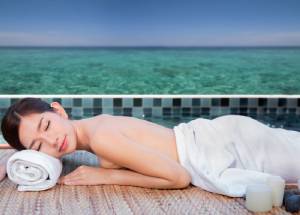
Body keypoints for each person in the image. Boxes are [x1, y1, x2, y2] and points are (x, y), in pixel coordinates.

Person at [1, 97, 300, 197]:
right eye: (39, 146)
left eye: (46, 126)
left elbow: (178, 177)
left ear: (59, 111)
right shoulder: (92, 129)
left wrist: (106, 176)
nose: (53, 142)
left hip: (224, 144)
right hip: (219, 134)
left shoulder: (101, 138)